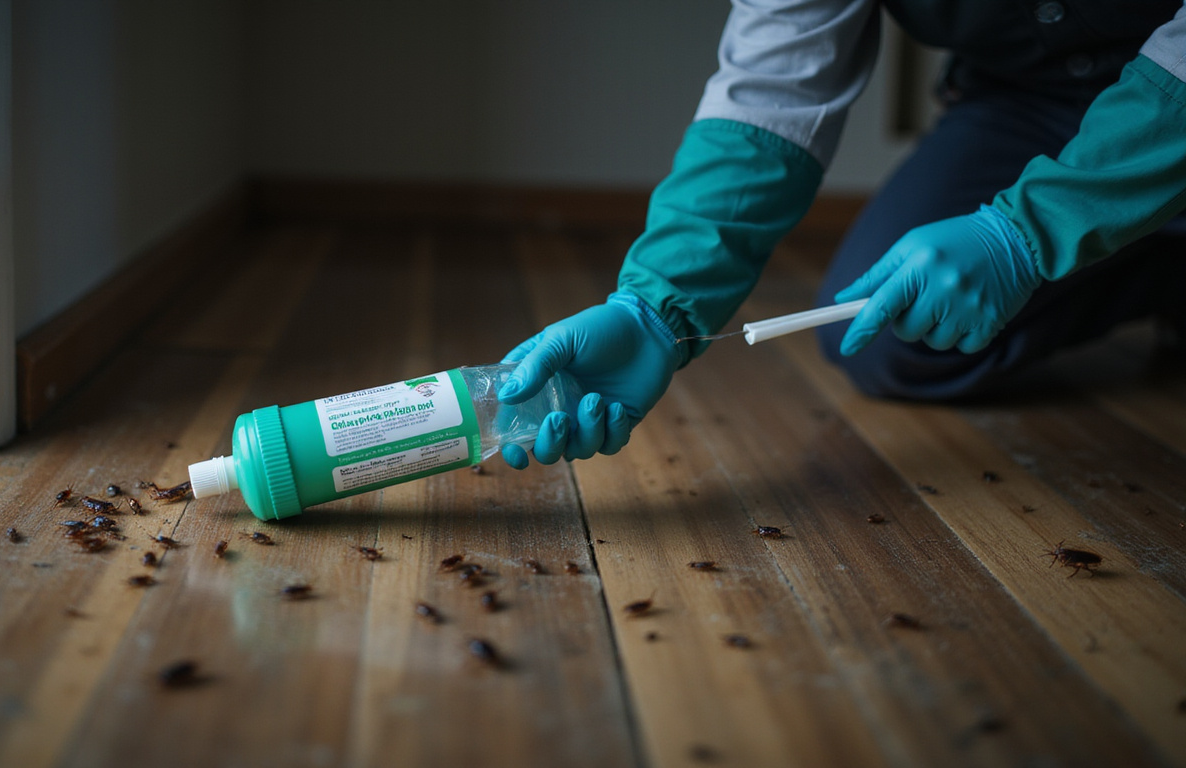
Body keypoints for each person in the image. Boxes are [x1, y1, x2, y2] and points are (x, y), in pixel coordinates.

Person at [497, 0, 1186, 470]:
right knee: (895, 333)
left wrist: (1029, 231)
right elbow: (776, 86)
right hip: (1027, 103)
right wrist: (653, 306)